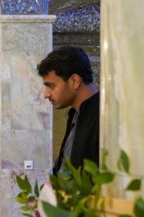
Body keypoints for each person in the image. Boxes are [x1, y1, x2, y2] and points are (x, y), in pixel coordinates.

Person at [37, 46, 100, 174]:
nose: (46, 94)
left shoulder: (103, 117)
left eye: (51, 86)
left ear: (74, 81)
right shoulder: (75, 113)